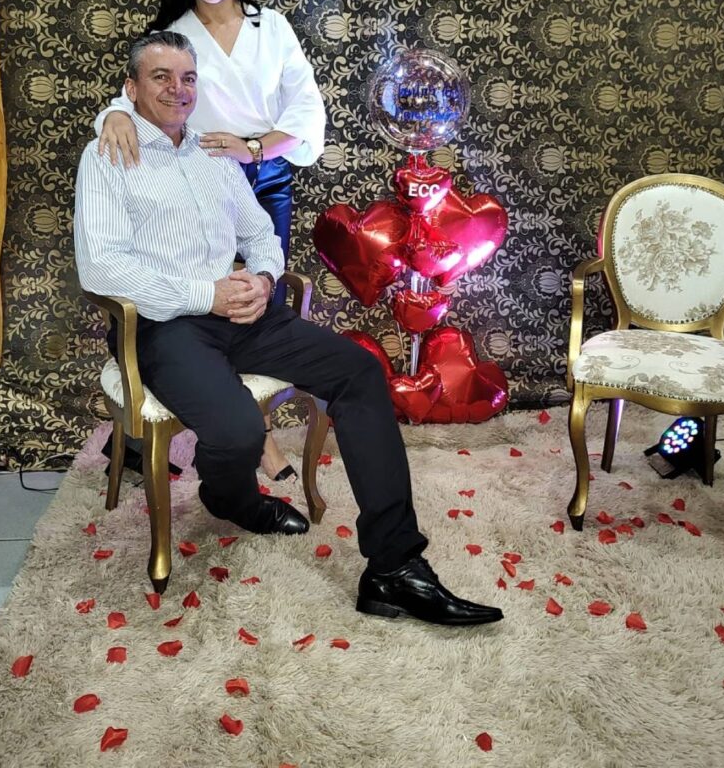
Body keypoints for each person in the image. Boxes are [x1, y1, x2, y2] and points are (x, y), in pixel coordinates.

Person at [74, 32, 503, 627]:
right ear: (132, 87)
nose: (178, 89)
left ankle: (394, 566)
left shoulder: (212, 153)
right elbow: (101, 266)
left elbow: (259, 233)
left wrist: (263, 279)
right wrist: (207, 294)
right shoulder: (107, 154)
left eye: (188, 78)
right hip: (167, 325)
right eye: (160, 77)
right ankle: (232, 499)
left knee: (358, 371)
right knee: (236, 430)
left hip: (243, 312)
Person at [94, 0, 326, 482]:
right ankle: (234, 436)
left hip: (264, 173)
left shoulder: (271, 27)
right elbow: (135, 96)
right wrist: (112, 116)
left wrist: (254, 148)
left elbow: (304, 109)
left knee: (257, 294)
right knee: (182, 298)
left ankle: (245, 430)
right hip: (197, 171)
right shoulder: (174, 34)